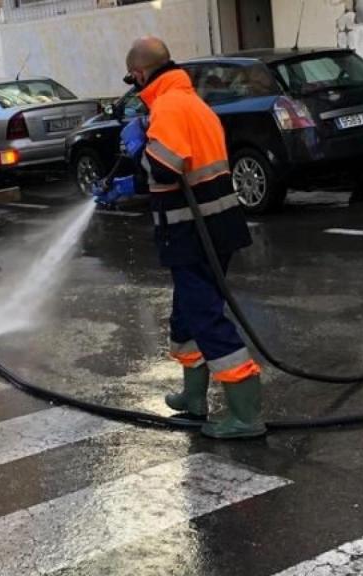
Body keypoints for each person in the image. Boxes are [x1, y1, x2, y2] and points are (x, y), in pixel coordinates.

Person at [99, 37, 265, 439]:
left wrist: (141, 148)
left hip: (193, 230)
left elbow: (167, 169)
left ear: (140, 74)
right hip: (213, 224)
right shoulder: (189, 102)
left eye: (133, 80)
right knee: (186, 314)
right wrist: (130, 181)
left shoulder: (170, 107)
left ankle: (246, 414)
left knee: (204, 316)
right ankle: (194, 399)